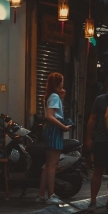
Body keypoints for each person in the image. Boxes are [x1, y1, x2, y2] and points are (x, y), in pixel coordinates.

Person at [85, 76, 108, 211]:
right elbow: (92, 119)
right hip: (101, 139)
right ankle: (93, 201)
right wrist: (88, 138)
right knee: (98, 170)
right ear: (107, 89)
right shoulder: (100, 100)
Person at [37, 72, 72, 205]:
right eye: (62, 81)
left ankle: (41, 194)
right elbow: (50, 116)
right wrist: (63, 127)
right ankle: (51, 194)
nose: (63, 83)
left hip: (49, 130)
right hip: (54, 129)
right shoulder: (54, 97)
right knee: (52, 164)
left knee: (48, 165)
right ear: (59, 83)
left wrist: (62, 97)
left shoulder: (50, 96)